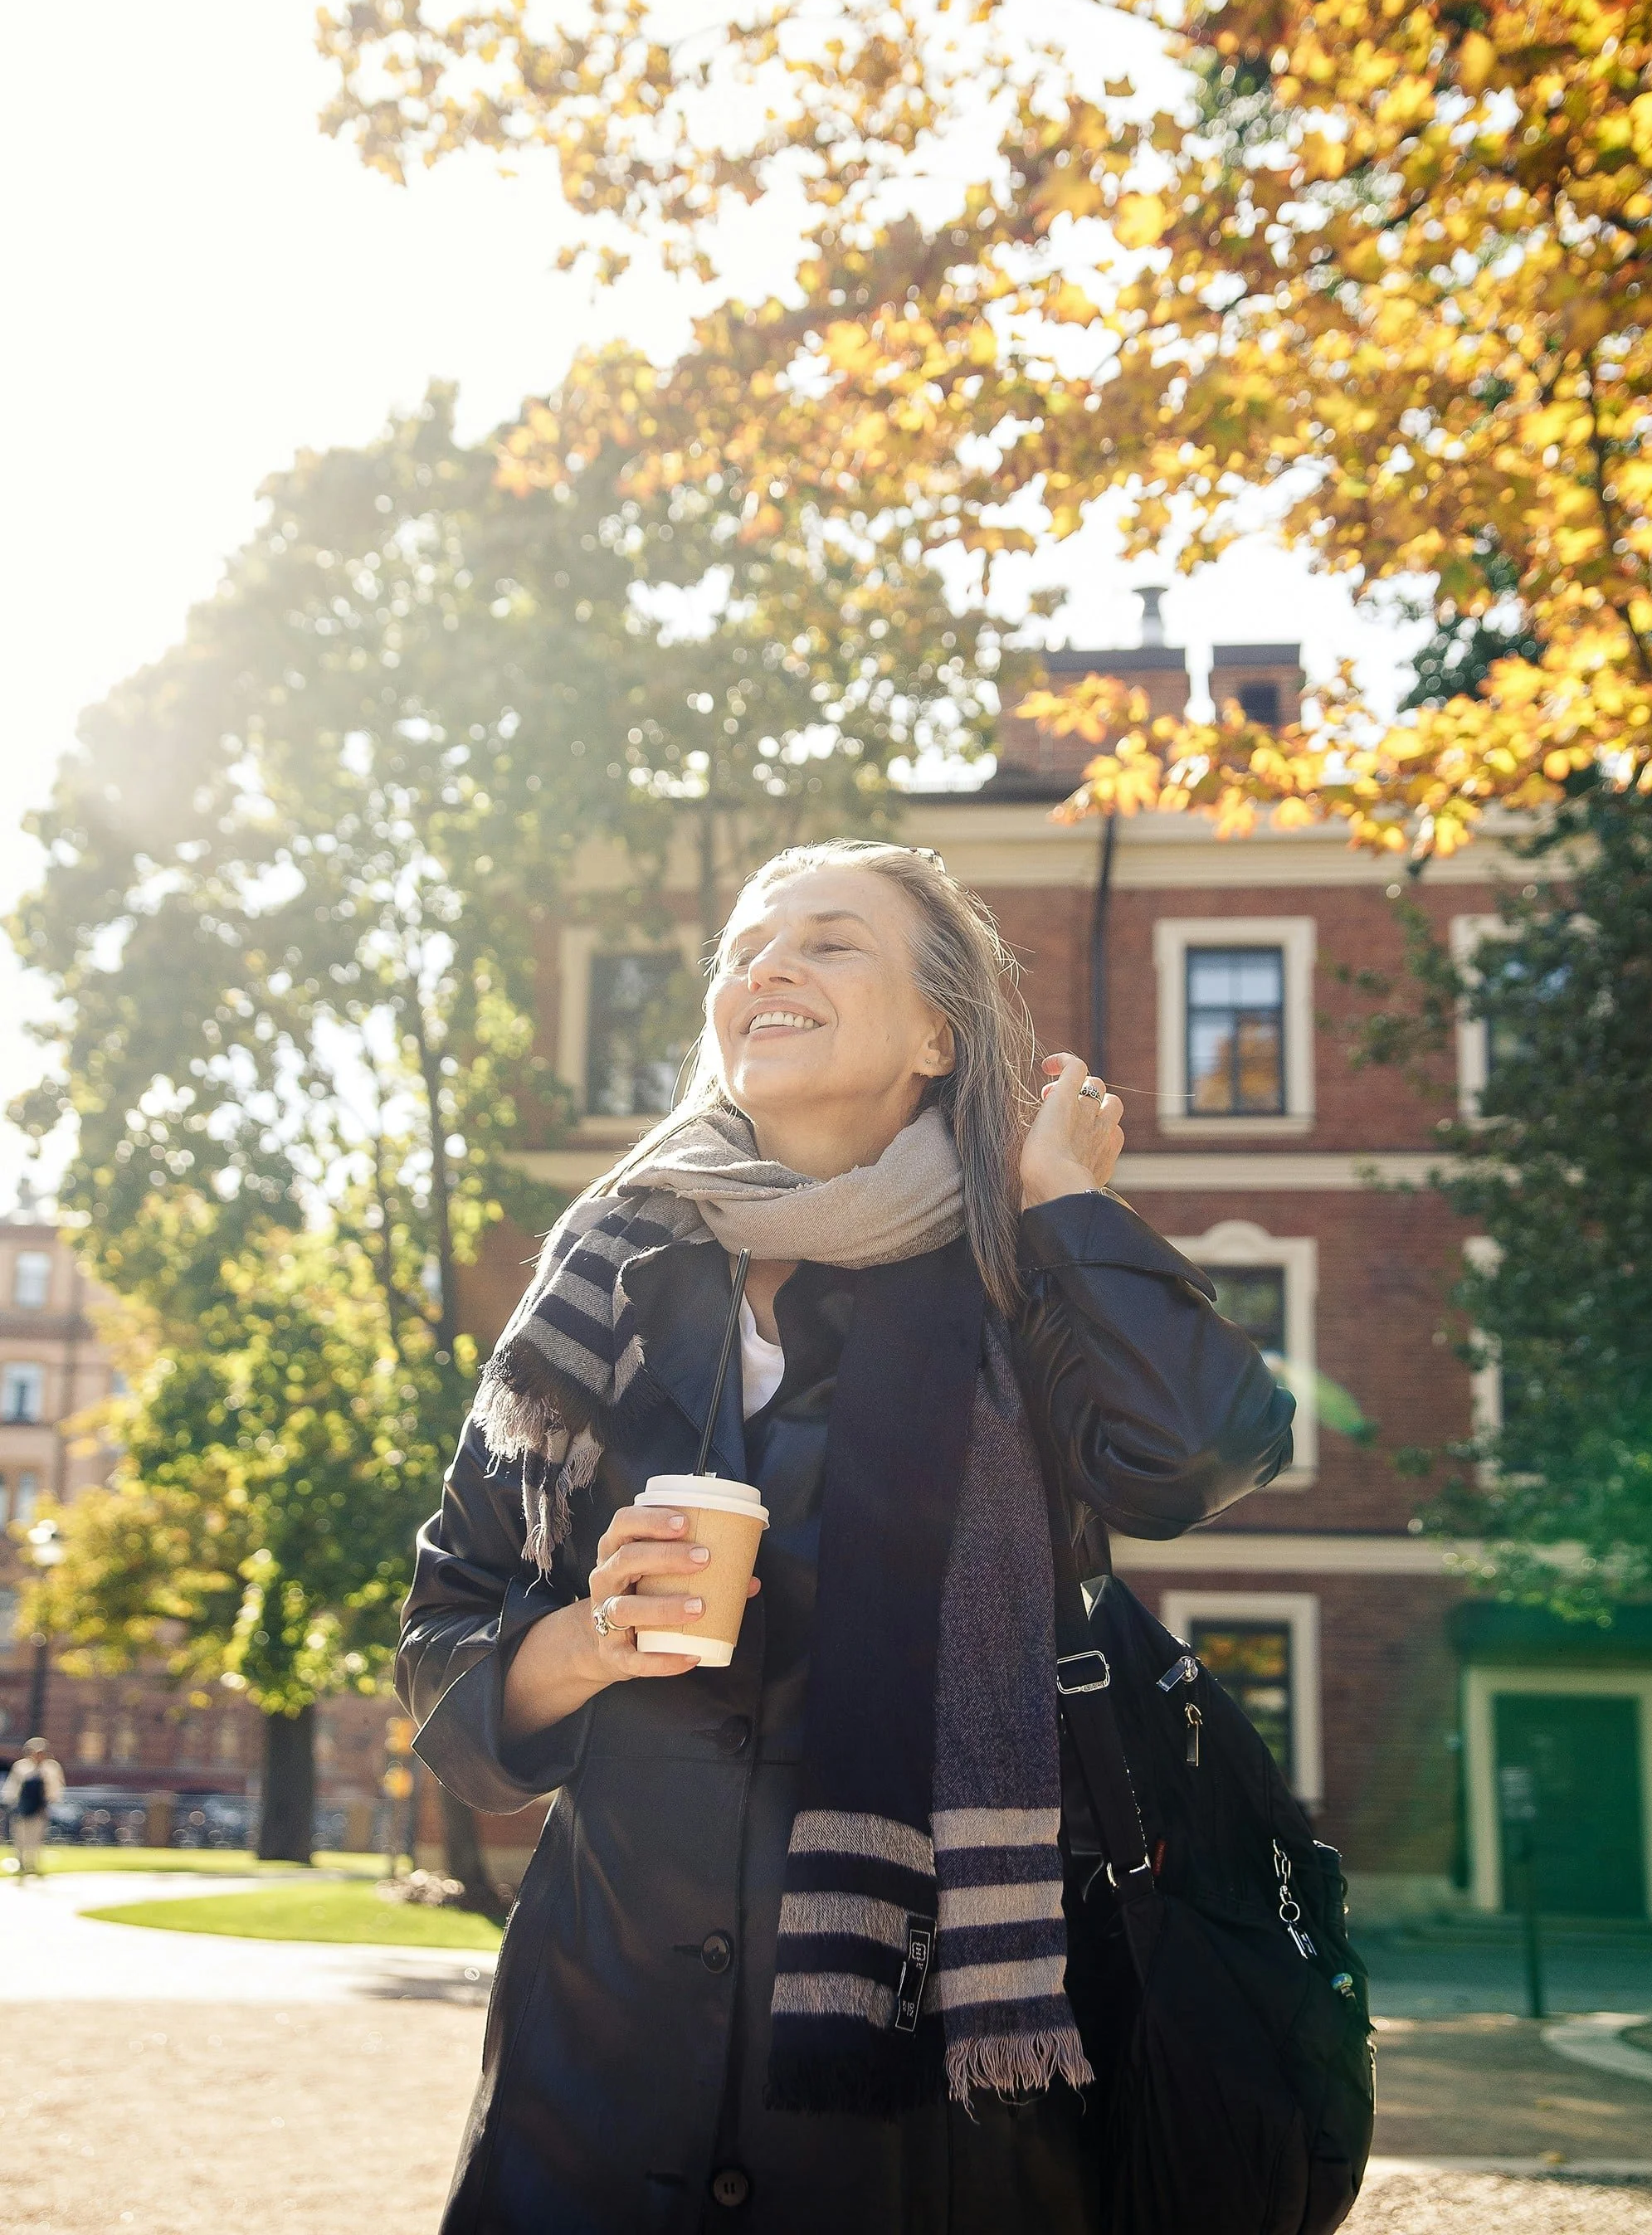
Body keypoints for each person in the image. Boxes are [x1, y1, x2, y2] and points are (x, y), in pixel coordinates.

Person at [402, 840, 1295, 2235]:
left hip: (929, 2119)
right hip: (597, 2078)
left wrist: (1068, 1206)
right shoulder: (606, 1279)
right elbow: (447, 1636)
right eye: (748, 946)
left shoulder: (1015, 1279)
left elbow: (1205, 1453)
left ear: (939, 1034)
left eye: (829, 942)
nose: (769, 966)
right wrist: (584, 1642)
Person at [3, 1735, 65, 1879]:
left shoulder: (51, 1768)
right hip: (22, 1807)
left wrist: (51, 1801)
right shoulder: (21, 1767)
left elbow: (55, 1788)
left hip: (39, 1808)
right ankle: (21, 1863)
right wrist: (10, 1803)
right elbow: (13, 1787)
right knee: (20, 1837)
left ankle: (32, 1864)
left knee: (36, 1837)